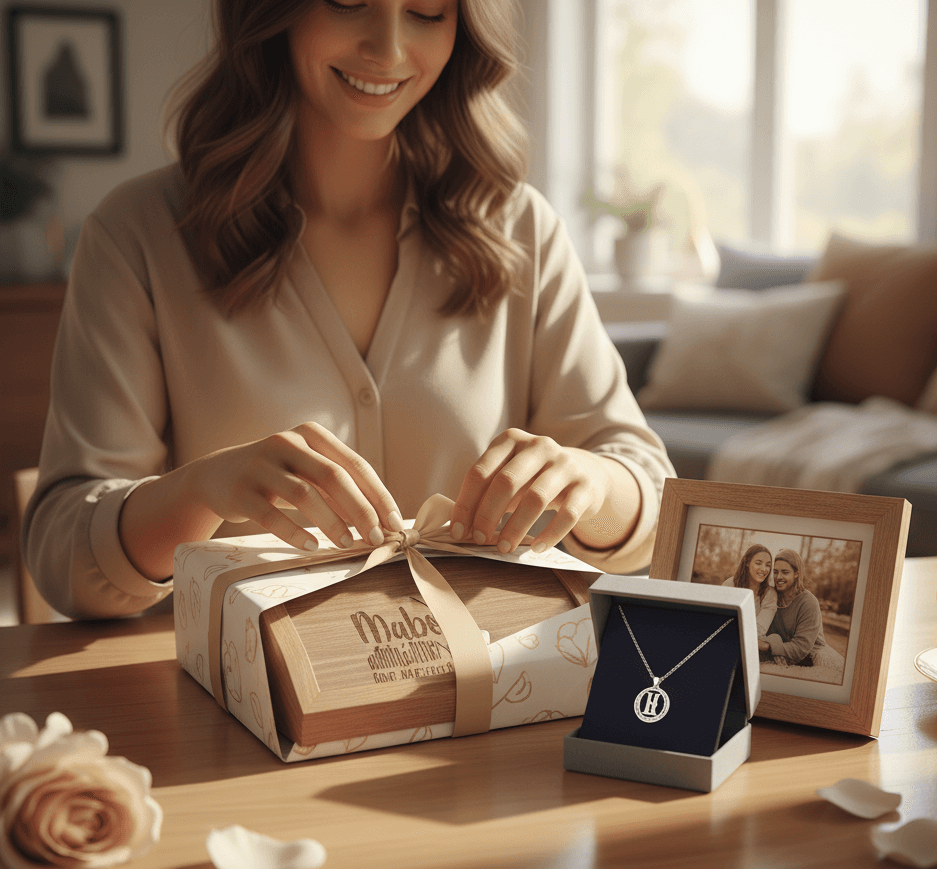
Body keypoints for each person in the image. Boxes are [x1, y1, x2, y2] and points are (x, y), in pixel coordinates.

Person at [23, 0, 674, 620]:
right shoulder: (138, 234)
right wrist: (199, 492)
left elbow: (650, 496)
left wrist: (591, 481)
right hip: (228, 718)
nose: (388, 48)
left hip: (477, 712)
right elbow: (62, 555)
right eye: (346, 2)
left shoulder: (521, 230)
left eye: (426, 12)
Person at [759, 549, 845, 681]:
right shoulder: (770, 596)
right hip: (781, 656)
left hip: (812, 657)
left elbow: (801, 647)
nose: (778, 577)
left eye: (785, 572)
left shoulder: (808, 602)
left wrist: (768, 645)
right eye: (775, 572)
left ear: (796, 574)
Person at [721, 543, 776, 639]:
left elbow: (759, 629)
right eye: (758, 563)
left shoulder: (770, 594)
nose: (763, 569)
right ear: (747, 562)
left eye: (768, 565)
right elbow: (720, 617)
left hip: (751, 644)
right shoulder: (729, 584)